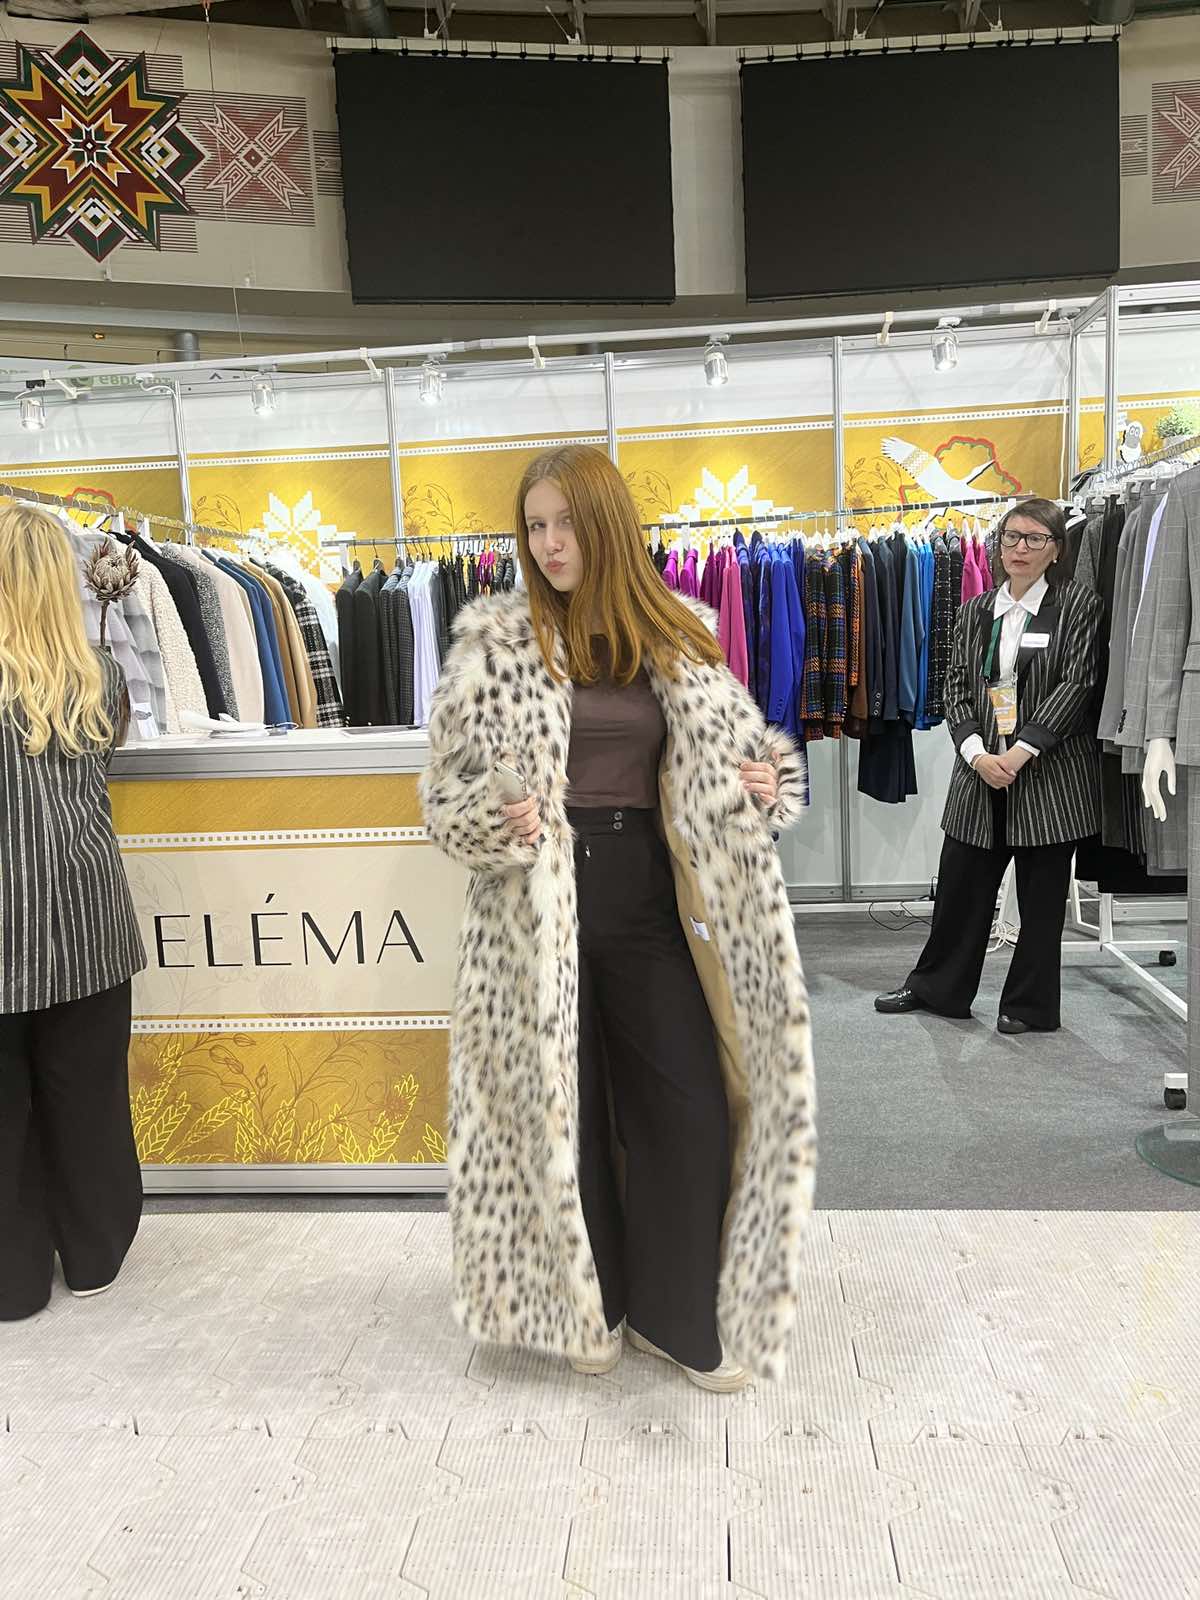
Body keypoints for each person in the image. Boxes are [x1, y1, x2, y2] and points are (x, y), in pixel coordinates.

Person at [420, 444, 817, 1390]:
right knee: (568, 1116)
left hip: (648, 894)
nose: (549, 544)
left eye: (566, 523)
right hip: (532, 909)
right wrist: (495, 819)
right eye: (534, 527)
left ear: (606, 526)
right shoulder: (493, 646)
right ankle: (585, 1310)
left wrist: (763, 785)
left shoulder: (679, 634)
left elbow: (744, 759)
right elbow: (442, 800)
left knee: (687, 1104)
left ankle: (678, 1317)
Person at [875, 498, 1103, 1035]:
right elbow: (955, 684)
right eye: (1011, 537)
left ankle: (1029, 1007)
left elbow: (1078, 683)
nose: (1020, 548)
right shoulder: (976, 609)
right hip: (979, 773)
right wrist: (977, 753)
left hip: (1049, 774)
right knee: (961, 887)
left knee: (1041, 901)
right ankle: (937, 989)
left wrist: (1022, 751)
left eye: (1035, 539)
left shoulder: (1078, 605)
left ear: (1056, 550)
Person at [0, 503, 146, 1321]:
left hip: (4, 927)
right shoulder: (101, 677)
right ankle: (93, 1256)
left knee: (4, 1116)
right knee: (87, 1099)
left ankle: (13, 1285)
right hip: (88, 921)